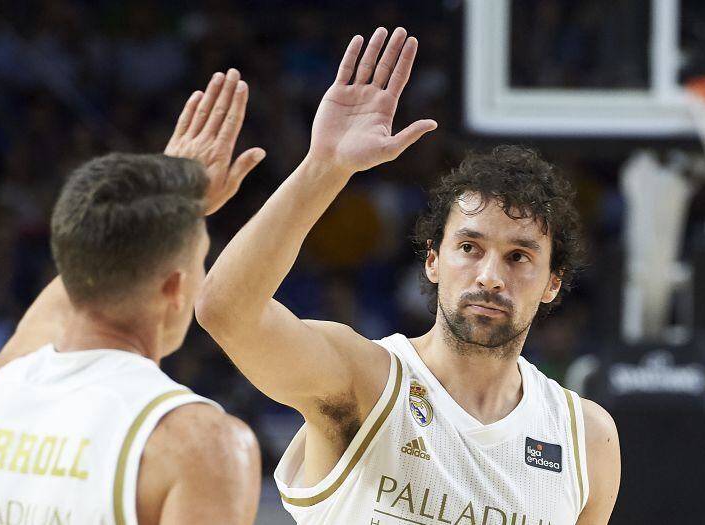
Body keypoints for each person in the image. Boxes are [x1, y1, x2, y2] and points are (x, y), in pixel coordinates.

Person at [195, 28, 621, 524]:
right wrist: (325, 167)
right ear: (432, 260)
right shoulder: (366, 380)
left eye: (519, 256)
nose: (489, 276)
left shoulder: (587, 437)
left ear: (553, 282)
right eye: (469, 247)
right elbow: (226, 309)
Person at [0, 69, 264, 525]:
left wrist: (160, 201)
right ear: (173, 287)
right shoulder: (201, 445)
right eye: (201, 261)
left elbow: (85, 261)